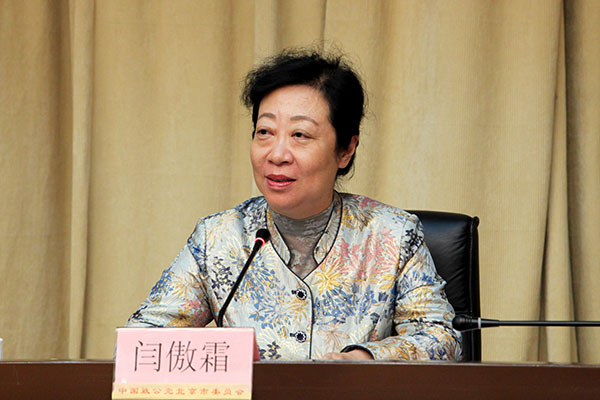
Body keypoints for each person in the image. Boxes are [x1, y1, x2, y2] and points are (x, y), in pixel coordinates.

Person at [126, 49, 462, 361]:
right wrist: (220, 355)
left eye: (300, 135)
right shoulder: (217, 238)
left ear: (345, 150)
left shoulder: (392, 235)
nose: (276, 154)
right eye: (265, 132)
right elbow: (140, 342)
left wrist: (364, 359)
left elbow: (440, 339)